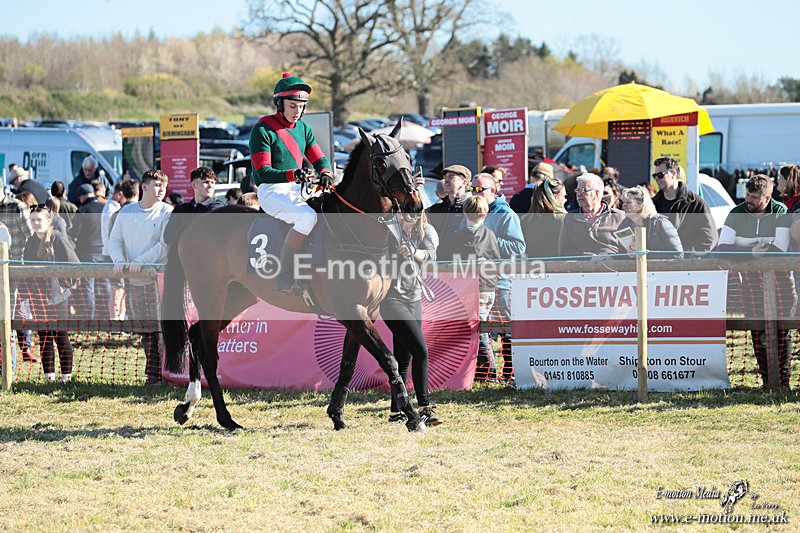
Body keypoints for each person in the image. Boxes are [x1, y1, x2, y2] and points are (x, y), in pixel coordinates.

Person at [249, 72, 334, 294]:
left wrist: (325, 172)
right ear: (280, 104)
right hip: (271, 190)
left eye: (301, 107)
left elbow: (319, 157)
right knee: (307, 217)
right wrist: (294, 174)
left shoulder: (304, 129)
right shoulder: (262, 129)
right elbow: (263, 172)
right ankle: (285, 275)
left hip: (297, 188)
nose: (298, 112)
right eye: (293, 106)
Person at [716, 175, 794, 389]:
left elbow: (779, 249)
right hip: (750, 280)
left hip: (780, 279)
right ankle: (767, 380)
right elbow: (723, 248)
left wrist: (741, 252)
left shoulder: (780, 212)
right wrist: (751, 252)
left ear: (767, 198)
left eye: (754, 197)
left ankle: (783, 382)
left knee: (782, 329)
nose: (748, 200)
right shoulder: (736, 213)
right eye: (747, 195)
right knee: (757, 328)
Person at [108, 169, 173, 386]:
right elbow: (114, 241)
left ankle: (168, 373)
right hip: (134, 282)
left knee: (164, 329)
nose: (161, 189)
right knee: (145, 329)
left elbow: (164, 245)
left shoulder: (168, 212)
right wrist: (119, 261)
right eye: (157, 185)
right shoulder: (126, 213)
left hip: (160, 281)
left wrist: (141, 262)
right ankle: (153, 373)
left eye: (164, 185)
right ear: (144, 188)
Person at [381, 211, 441, 426]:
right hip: (390, 299)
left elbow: (431, 254)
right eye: (404, 211)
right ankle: (425, 407)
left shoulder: (426, 230)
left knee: (403, 356)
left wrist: (415, 251)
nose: (409, 215)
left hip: (413, 298)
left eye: (414, 212)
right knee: (421, 350)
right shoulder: (388, 230)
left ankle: (396, 412)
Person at [469, 172, 526, 383]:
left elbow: (518, 247)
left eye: (479, 189)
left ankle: (511, 375)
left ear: (493, 190)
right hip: (476, 281)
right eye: (472, 189)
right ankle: (488, 375)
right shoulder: (470, 211)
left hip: (501, 281)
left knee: (507, 329)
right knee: (480, 328)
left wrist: (486, 238)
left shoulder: (506, 214)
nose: (475, 193)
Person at [438, 195, 500, 382]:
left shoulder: (456, 237)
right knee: (481, 329)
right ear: (485, 214)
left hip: (467, 289)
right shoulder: (489, 234)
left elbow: (444, 262)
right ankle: (482, 371)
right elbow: (497, 260)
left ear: (465, 212)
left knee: (475, 330)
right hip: (487, 288)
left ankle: (489, 372)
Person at [23, 205, 79, 382]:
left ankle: (66, 377)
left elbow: (74, 264)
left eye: (39, 219)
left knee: (60, 335)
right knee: (44, 336)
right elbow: (26, 270)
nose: (36, 223)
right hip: (37, 296)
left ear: (48, 220)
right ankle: (49, 377)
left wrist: (63, 284)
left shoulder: (58, 238)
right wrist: (27, 296)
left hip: (59, 297)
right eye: (33, 220)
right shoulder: (31, 242)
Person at [651, 156, 717, 254]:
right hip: (658, 264)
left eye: (660, 175)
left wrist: (687, 255)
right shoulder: (652, 205)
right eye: (654, 175)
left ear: (673, 174)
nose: (656, 178)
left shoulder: (696, 203)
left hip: (687, 266)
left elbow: (709, 238)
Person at [0, 185, 34, 361]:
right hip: (1, 268)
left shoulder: (17, 207)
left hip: (16, 268)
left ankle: (12, 360)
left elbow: (31, 236)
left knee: (12, 313)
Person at [69, 183, 111, 321]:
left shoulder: (83, 210)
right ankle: (107, 316)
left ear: (81, 196)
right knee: (105, 285)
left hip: (87, 252)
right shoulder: (105, 207)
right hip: (104, 251)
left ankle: (90, 319)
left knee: (88, 287)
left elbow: (75, 232)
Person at [559, 173, 626, 257]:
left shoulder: (619, 217)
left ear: (597, 193)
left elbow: (629, 249)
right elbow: (564, 251)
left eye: (584, 190)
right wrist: (588, 257)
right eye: (577, 190)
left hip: (613, 267)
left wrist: (611, 258)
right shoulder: (570, 218)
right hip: (581, 267)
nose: (579, 194)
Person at [163, 166, 224, 244]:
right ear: (194, 185)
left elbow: (203, 235)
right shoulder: (180, 209)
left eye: (213, 182)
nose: (210, 186)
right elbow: (168, 238)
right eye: (205, 182)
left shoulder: (218, 207)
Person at [618, 186, 683, 259]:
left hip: (661, 270)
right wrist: (629, 255)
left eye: (628, 202)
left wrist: (645, 255)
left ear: (641, 204)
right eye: (623, 202)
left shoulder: (661, 223)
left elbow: (678, 255)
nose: (623, 205)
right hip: (635, 270)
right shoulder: (623, 227)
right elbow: (621, 256)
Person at [522, 177, 567, 258]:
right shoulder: (564, 219)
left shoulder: (526, 219)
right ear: (554, 197)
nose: (565, 200)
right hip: (557, 267)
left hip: (534, 266)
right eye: (564, 196)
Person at [426, 164, 471, 240]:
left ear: (464, 182)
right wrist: (412, 191)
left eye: (451, 177)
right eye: (445, 177)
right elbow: (415, 218)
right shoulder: (436, 208)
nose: (446, 180)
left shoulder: (471, 208)